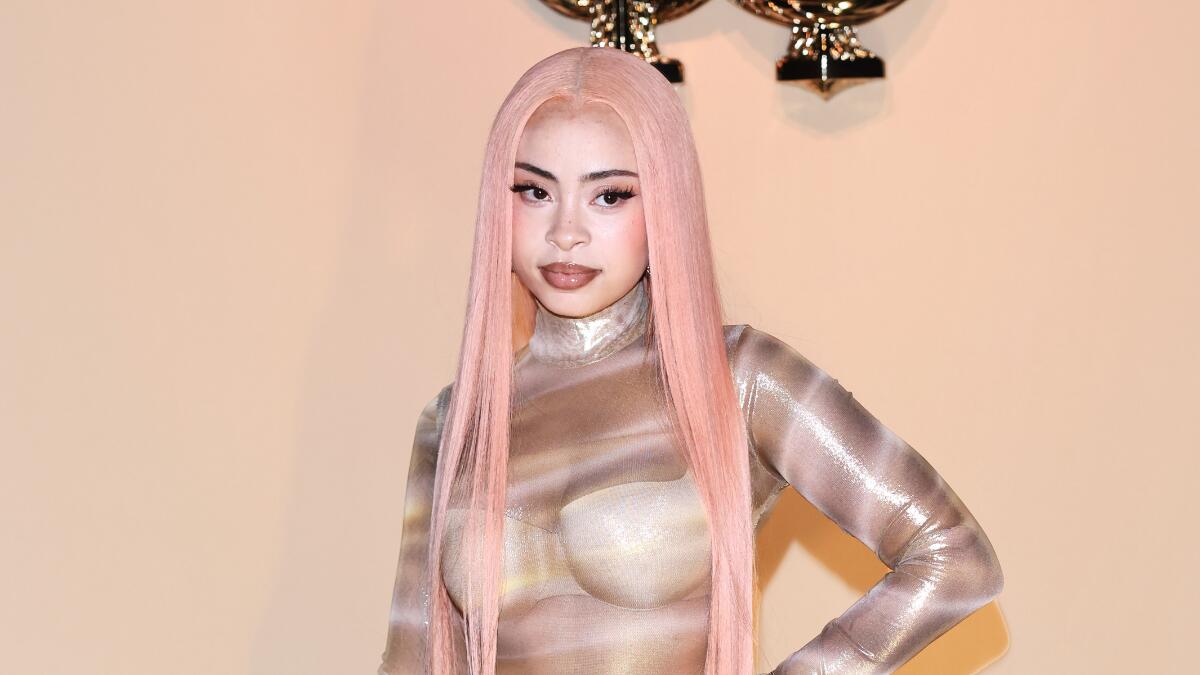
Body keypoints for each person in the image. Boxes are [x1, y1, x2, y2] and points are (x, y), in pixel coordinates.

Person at [377, 46, 1004, 675]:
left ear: (666, 202)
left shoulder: (740, 379)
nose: (566, 232)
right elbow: (410, 660)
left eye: (609, 196)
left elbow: (954, 557)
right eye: (535, 191)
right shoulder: (455, 420)